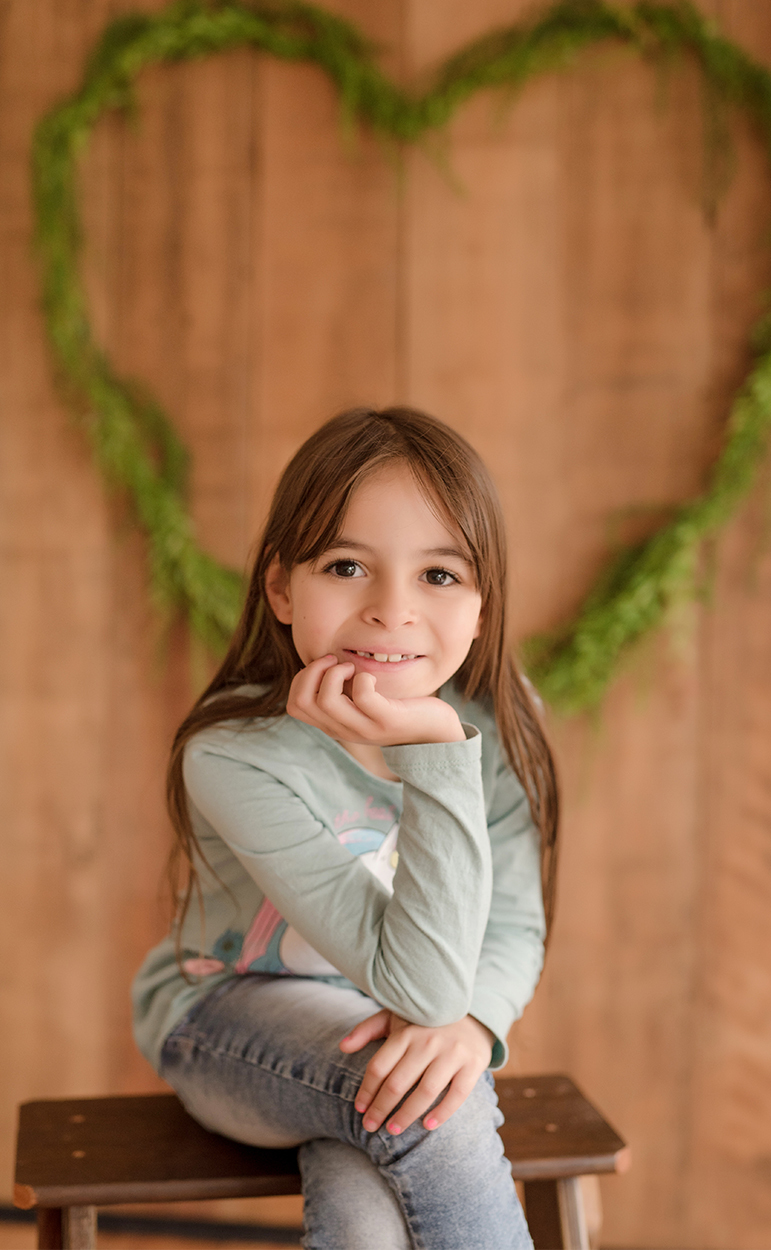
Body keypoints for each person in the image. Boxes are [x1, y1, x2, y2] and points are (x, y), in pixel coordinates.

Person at [132, 406, 559, 1250]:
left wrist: (472, 1023)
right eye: (347, 565)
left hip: (387, 1029)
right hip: (228, 1018)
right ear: (283, 588)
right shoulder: (232, 756)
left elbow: (508, 927)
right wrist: (434, 756)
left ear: (482, 606)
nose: (391, 611)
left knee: (373, 1182)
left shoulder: (496, 733)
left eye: (439, 575)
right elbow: (422, 987)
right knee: (434, 1101)